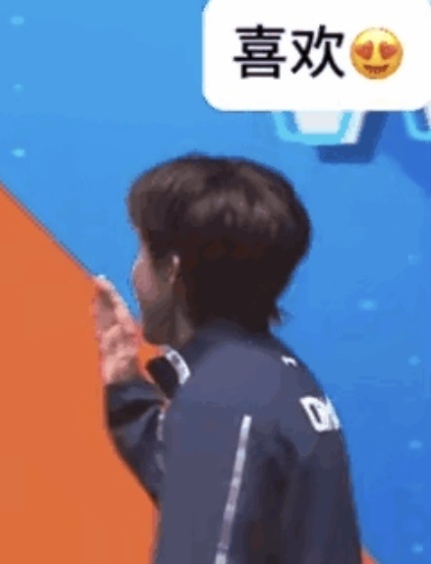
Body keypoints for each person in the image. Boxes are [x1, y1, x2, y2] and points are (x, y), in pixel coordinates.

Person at [92, 155, 363, 563]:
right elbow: (203, 494)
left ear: (172, 270)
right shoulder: (271, 375)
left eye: (143, 252)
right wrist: (127, 388)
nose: (136, 272)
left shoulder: (223, 401)